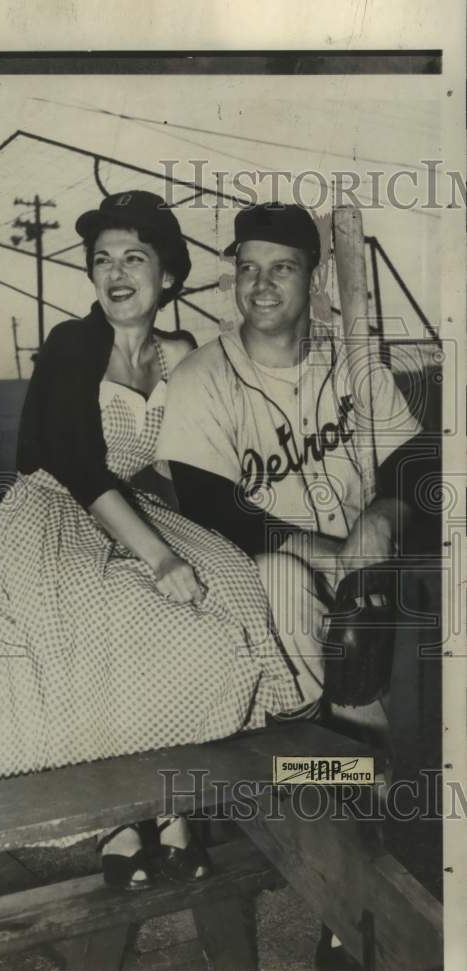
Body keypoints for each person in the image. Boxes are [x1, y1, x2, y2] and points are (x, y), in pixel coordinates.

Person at [0, 191, 307, 893]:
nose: (115, 271)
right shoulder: (73, 343)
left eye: (133, 256)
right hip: (52, 512)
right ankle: (120, 819)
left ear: (168, 274)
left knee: (226, 588)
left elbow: (186, 471)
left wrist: (229, 541)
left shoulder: (181, 353)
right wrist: (161, 558)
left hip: (135, 509)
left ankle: (173, 804)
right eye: (101, 259)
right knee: (110, 610)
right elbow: (74, 463)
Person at [156, 201, 423, 728]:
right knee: (279, 580)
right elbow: (213, 514)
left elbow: (417, 464)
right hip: (262, 584)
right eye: (248, 268)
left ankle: (366, 767)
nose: (260, 285)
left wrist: (384, 515)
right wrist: (333, 555)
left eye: (282, 267)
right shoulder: (200, 377)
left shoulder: (353, 364)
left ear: (315, 278)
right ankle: (317, 757)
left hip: (364, 573)